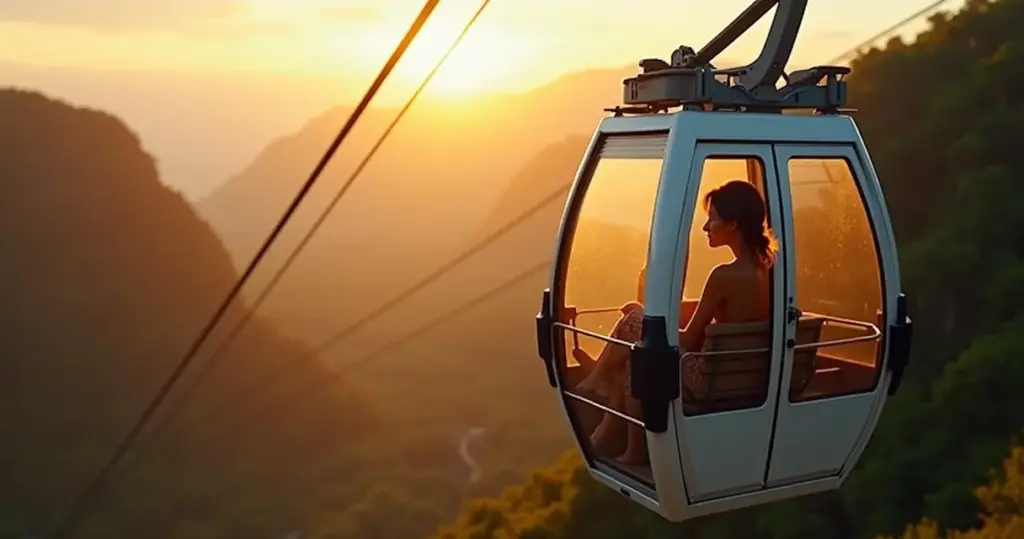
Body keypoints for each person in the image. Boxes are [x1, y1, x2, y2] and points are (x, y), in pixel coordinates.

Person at [575, 180, 778, 465]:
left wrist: (643, 318)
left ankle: (598, 378)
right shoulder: (769, 269)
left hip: (707, 378)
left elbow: (688, 340)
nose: (706, 226)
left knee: (637, 338)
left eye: (713, 218)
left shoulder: (722, 276)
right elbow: (732, 316)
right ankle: (607, 419)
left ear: (733, 224)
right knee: (639, 342)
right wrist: (657, 313)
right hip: (746, 371)